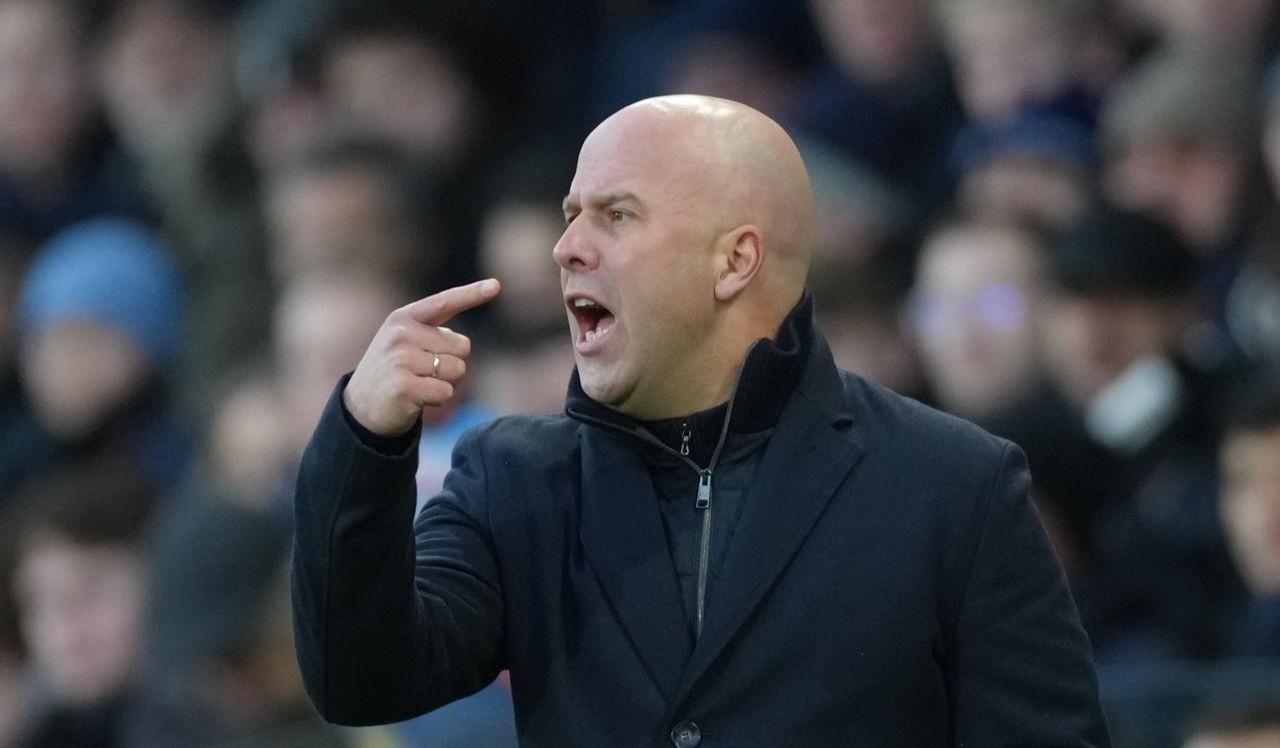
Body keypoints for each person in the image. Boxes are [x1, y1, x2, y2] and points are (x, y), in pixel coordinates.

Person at [291, 95, 1109, 746]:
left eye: (616, 214)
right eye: (571, 214)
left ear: (735, 260)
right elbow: (363, 681)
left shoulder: (954, 484)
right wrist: (364, 440)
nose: (565, 247)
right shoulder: (512, 477)